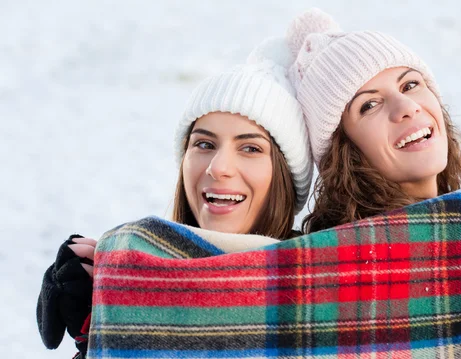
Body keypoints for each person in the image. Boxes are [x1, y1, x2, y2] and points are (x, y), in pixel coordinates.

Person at [36, 36, 313, 358]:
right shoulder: (135, 275)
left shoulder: (319, 293)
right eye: (204, 144)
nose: (218, 167)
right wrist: (100, 331)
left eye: (250, 148)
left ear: (285, 176)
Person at [283, 8, 461, 232]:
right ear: (342, 152)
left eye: (410, 85)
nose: (407, 107)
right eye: (369, 105)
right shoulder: (338, 258)